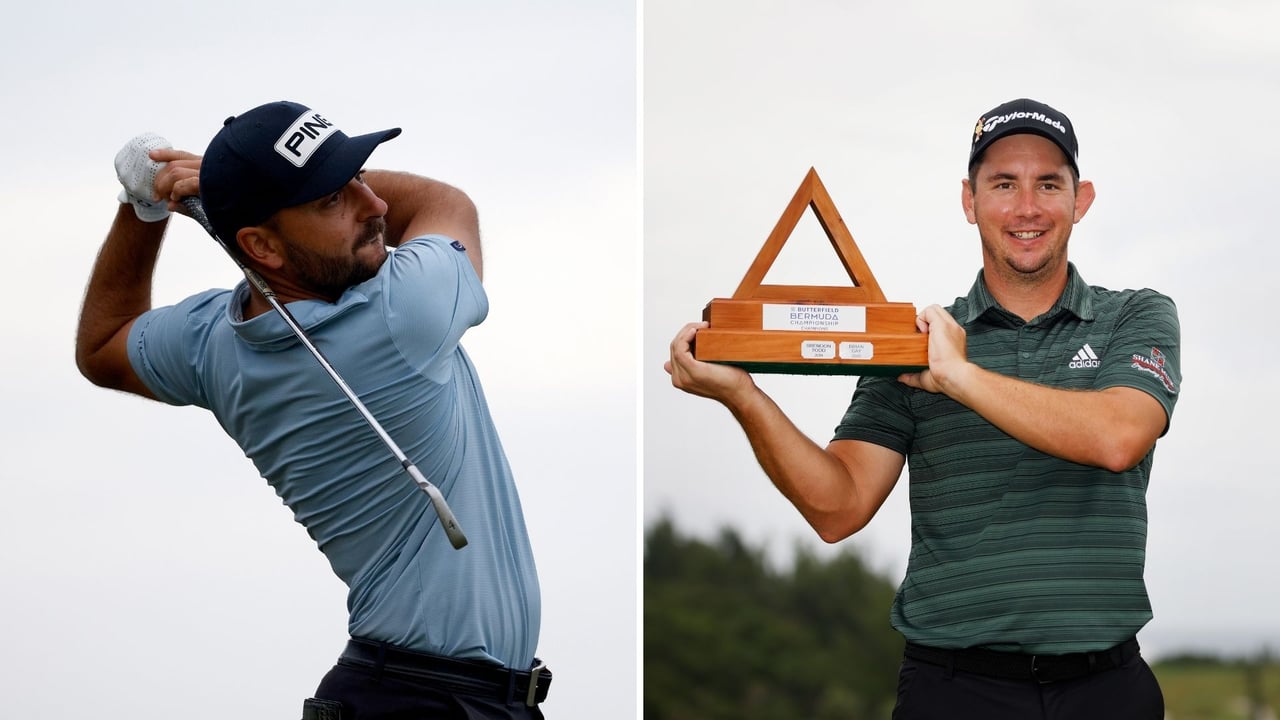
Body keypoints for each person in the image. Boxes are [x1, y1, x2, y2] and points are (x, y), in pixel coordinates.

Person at [666, 98, 1179, 719]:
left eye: (1049, 183)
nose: (1026, 207)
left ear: (1081, 198)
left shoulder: (1137, 315)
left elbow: (1119, 436)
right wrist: (743, 397)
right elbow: (838, 507)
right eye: (1002, 184)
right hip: (955, 688)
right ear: (969, 201)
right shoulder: (913, 344)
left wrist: (961, 377)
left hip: (1106, 688)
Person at [76, 100, 550, 719]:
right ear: (259, 246)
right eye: (332, 199)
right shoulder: (404, 313)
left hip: (409, 693)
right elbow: (443, 202)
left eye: (357, 177)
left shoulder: (209, 343)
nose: (373, 204)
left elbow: (102, 344)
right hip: (425, 701)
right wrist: (217, 191)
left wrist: (142, 207)